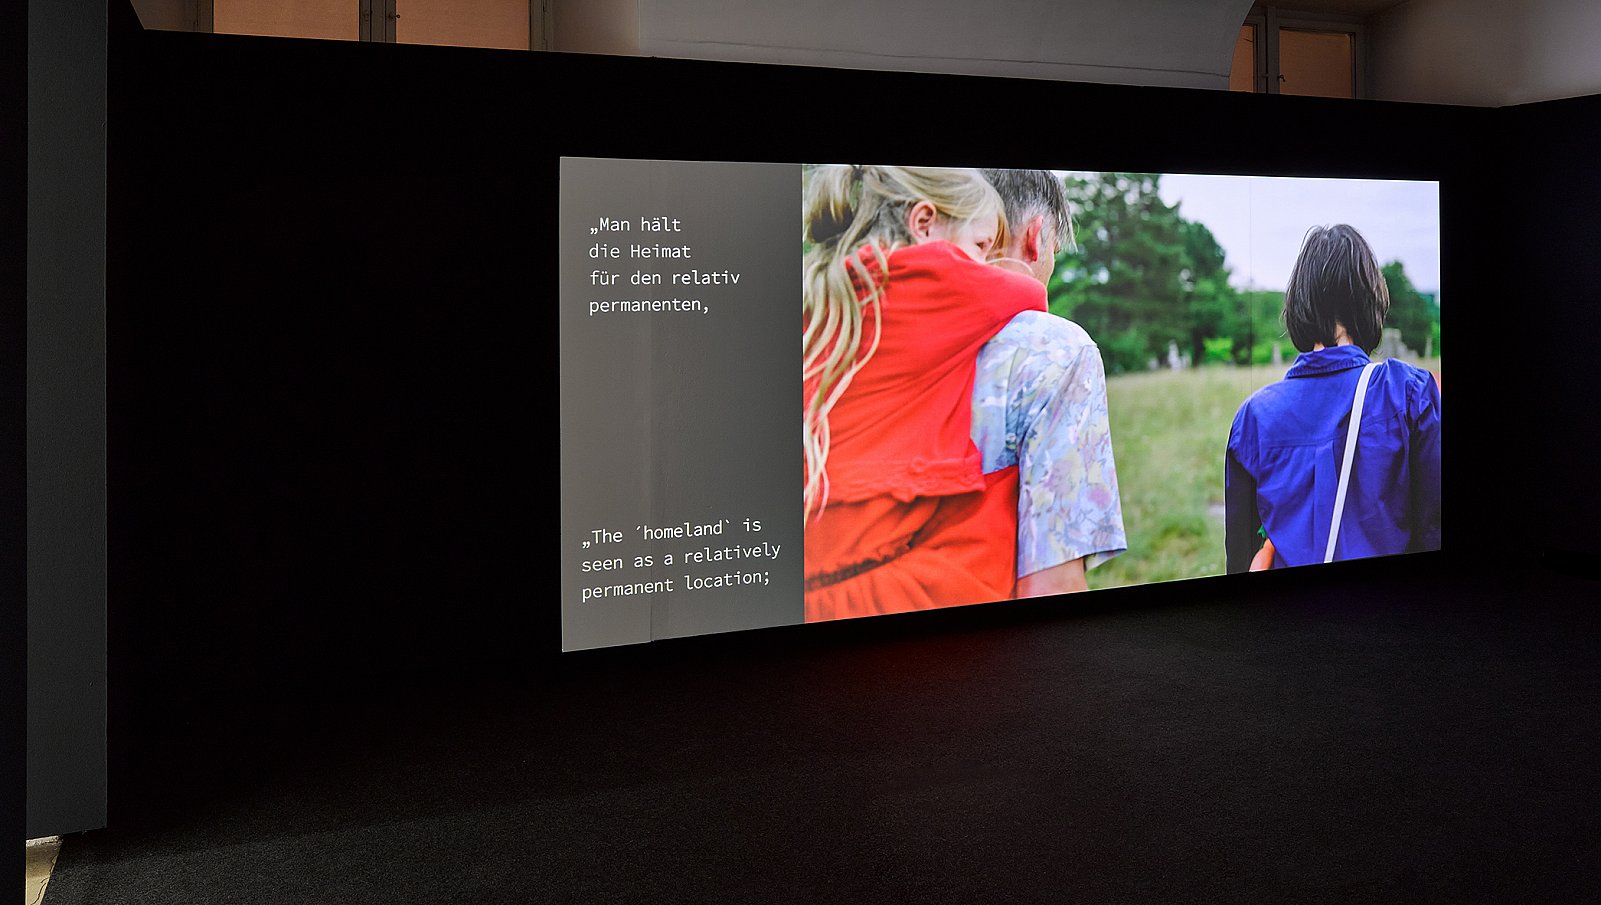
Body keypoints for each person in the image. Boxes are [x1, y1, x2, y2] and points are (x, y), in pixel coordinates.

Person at [802, 165, 1045, 621]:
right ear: (924, 223)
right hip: (880, 588)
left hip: (812, 578)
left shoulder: (823, 290)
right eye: (980, 247)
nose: (984, 266)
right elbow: (1031, 295)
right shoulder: (931, 275)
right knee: (1001, 498)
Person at [1225, 224, 1441, 573]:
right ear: (1370, 303)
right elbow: (1435, 530)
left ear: (1298, 303)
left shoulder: (1253, 418)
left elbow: (1242, 558)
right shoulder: (1409, 393)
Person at [973, 168, 1127, 596]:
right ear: (1035, 235)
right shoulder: (1060, 350)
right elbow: (1053, 581)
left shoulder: (863, 330)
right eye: (1055, 249)